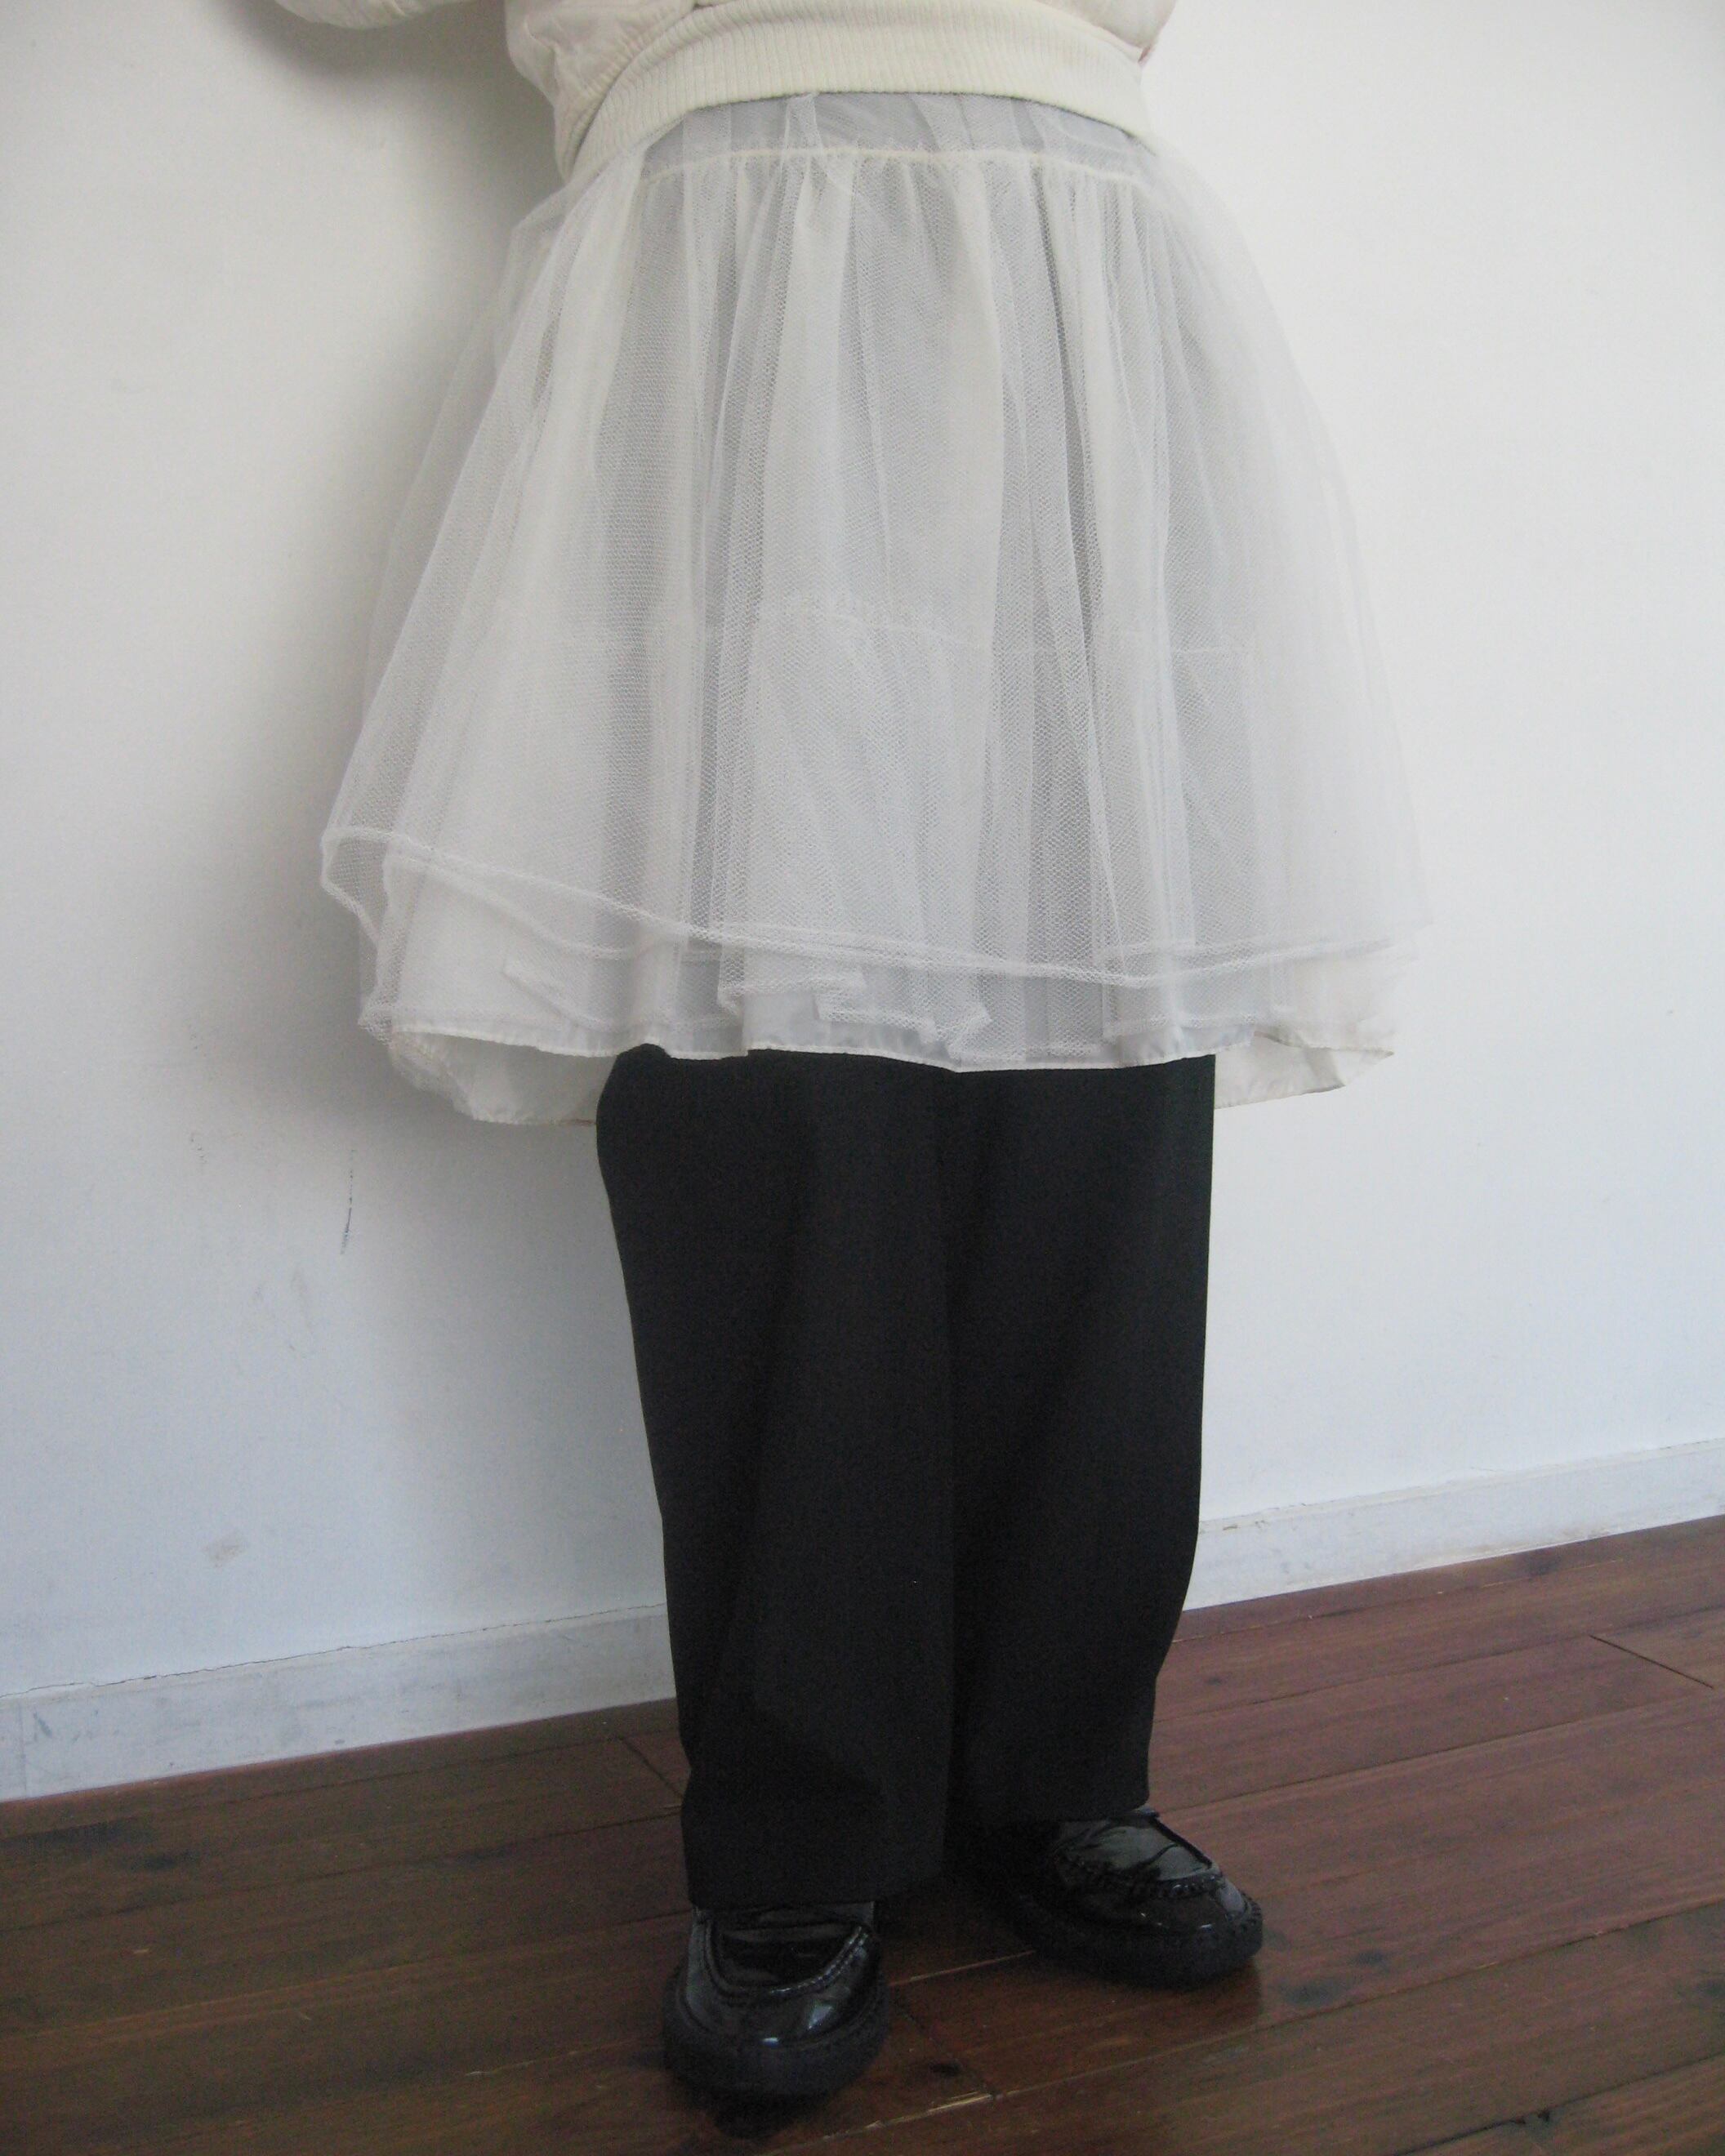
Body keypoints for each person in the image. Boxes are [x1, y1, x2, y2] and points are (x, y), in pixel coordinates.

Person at [274, 0, 1432, 2105]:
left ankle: (1059, 1771)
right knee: (766, 1078)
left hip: (1076, 275)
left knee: (1104, 1047)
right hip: (727, 271)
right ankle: (800, 1827)